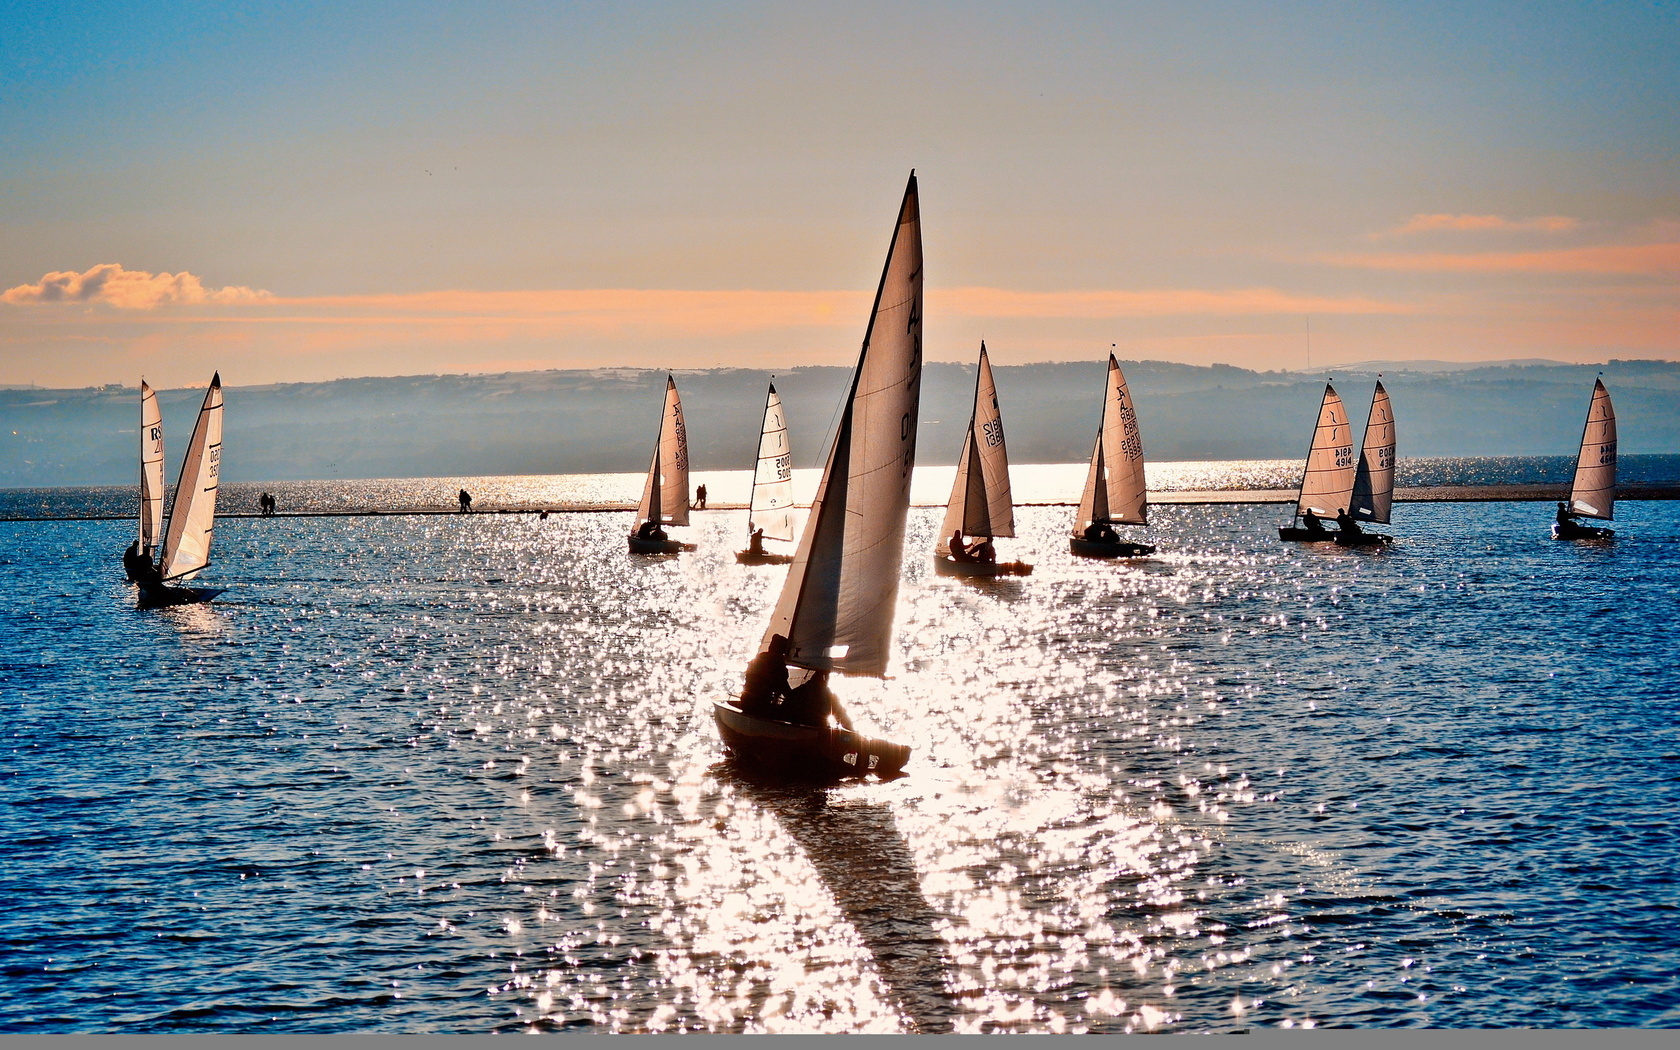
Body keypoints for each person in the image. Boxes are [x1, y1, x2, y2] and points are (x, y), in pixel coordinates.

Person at [739, 634, 792, 717]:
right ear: (783, 650)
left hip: (745, 703)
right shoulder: (778, 664)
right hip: (760, 707)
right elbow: (784, 688)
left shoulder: (758, 658)